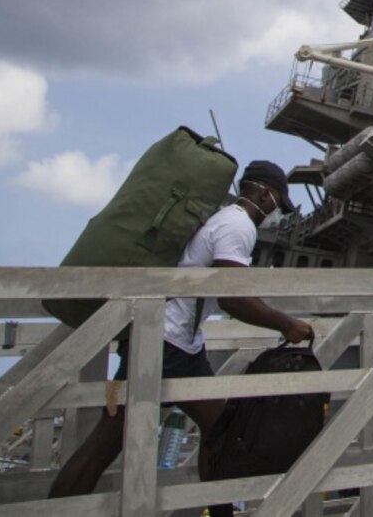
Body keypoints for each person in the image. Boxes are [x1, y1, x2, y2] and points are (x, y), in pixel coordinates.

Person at [49, 161, 317, 498]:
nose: (276, 213)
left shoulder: (223, 218)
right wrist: (286, 323)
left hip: (184, 345)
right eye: (277, 203)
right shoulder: (238, 226)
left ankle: (216, 506)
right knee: (104, 444)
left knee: (219, 429)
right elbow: (232, 299)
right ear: (264, 194)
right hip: (163, 343)